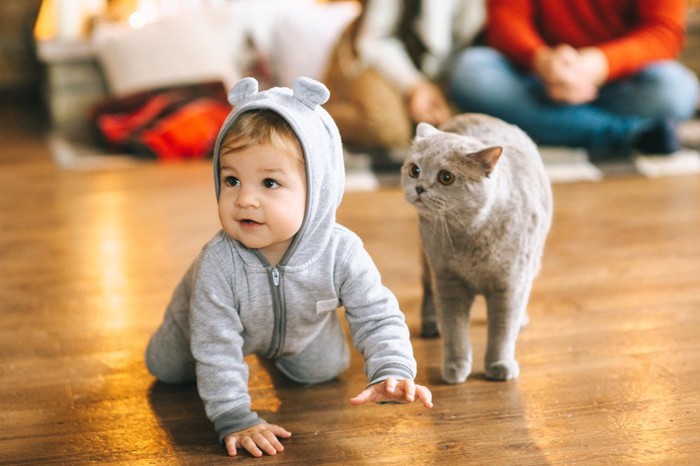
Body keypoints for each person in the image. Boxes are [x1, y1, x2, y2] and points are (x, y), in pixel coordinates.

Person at [145, 76, 433, 458]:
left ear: (318, 190)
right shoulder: (219, 261)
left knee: (325, 370)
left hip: (301, 329)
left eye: (269, 182)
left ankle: (284, 347)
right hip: (200, 328)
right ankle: (191, 340)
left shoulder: (341, 252)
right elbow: (215, 349)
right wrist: (235, 417)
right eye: (231, 180)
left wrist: (392, 370)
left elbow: (377, 315)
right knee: (167, 368)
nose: (245, 199)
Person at [449, 0, 700, 157]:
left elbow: (663, 32)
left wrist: (599, 64)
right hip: (536, 81)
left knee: (676, 90)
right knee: (471, 73)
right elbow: (505, 21)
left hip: (618, 80)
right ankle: (629, 134)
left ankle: (555, 124)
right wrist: (542, 60)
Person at [323, 0, 485, 153]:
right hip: (370, 60)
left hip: (434, 76)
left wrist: (438, 88)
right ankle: (313, 119)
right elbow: (372, 42)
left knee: (457, 130)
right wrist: (414, 87)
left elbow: (462, 42)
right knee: (387, 128)